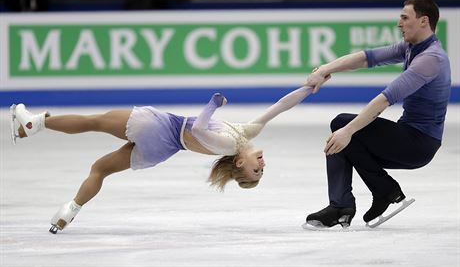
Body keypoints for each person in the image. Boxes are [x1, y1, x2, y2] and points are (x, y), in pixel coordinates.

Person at [10, 86, 313, 233]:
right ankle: (69, 211)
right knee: (100, 169)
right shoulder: (245, 133)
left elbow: (197, 126)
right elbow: (281, 105)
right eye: (263, 171)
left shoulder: (229, 143)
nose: (262, 168)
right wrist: (311, 87)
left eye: (256, 173)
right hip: (163, 149)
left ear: (238, 164)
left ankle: (35, 124)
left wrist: (213, 103)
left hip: (160, 126)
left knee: (95, 121)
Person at [303, 0, 451, 229]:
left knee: (343, 126)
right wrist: (325, 69)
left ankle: (382, 191)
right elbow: (366, 58)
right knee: (344, 136)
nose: (398, 23)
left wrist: (348, 130)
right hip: (410, 137)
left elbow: (384, 99)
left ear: (424, 21)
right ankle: (342, 206)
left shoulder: (430, 59)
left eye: (404, 17)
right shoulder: (411, 47)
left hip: (419, 144)